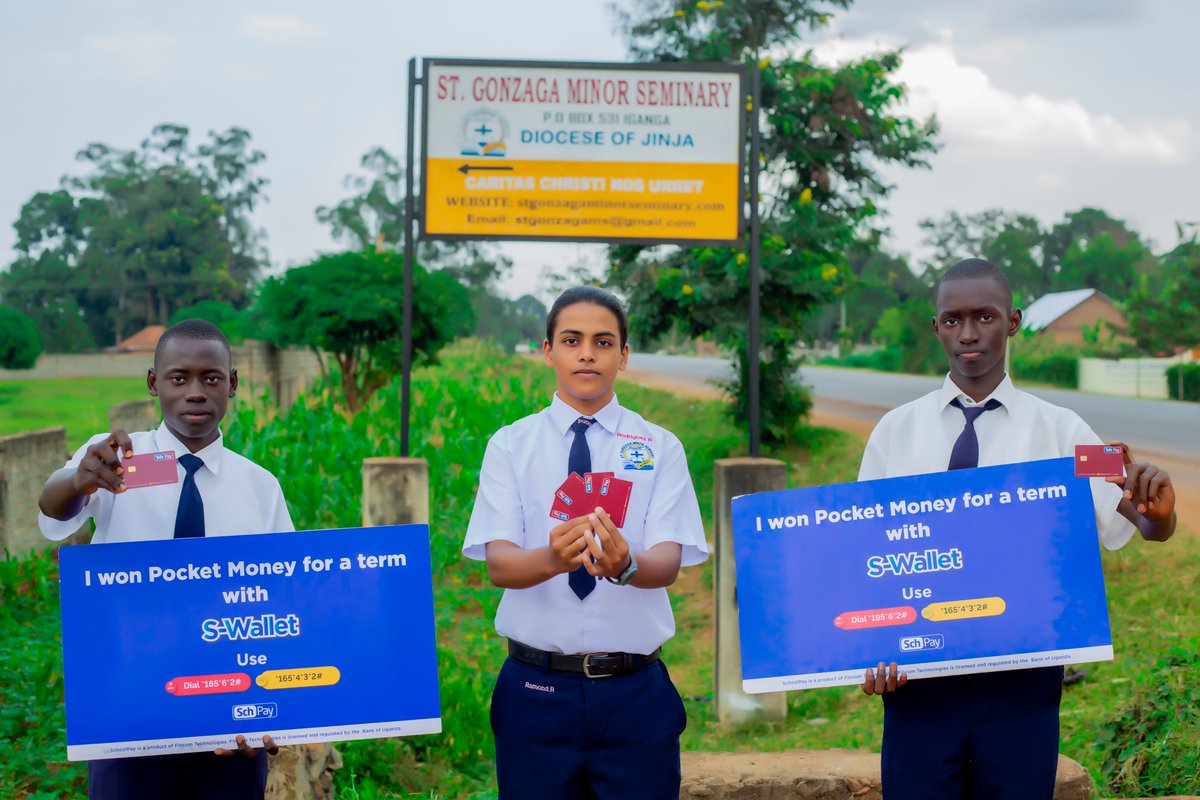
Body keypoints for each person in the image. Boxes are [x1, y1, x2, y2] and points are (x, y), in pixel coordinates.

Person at [858, 258, 1176, 800]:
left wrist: (1159, 509)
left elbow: (1142, 520)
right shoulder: (895, 432)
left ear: (1013, 321)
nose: (969, 333)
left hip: (1023, 682)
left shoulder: (1064, 431)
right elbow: (865, 551)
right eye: (953, 320)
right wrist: (870, 649)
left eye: (984, 316)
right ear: (936, 328)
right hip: (919, 680)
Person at [463, 286, 708, 799]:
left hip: (635, 694)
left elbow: (667, 560)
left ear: (623, 354)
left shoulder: (659, 446)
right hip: (536, 692)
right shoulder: (511, 444)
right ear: (548, 350)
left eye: (603, 341)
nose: (587, 353)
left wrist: (627, 566)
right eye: (572, 340)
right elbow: (500, 564)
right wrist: (552, 560)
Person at [39, 319, 294, 800]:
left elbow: (279, 607)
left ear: (233, 384)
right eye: (179, 378)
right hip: (128, 706)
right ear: (154, 383)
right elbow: (54, 511)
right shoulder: (115, 463)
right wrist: (79, 480)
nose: (195, 392)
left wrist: (266, 707)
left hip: (228, 714)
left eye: (211, 378)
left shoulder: (260, 486)